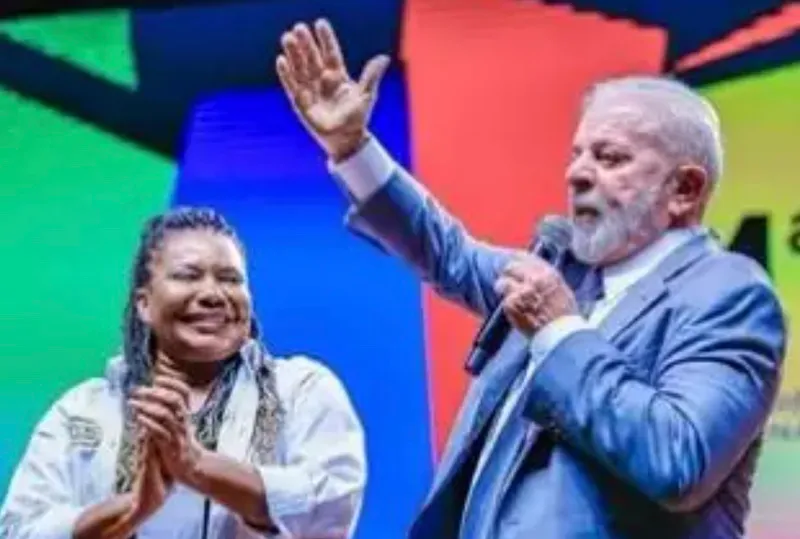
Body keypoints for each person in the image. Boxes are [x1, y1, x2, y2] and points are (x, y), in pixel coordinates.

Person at [275, 19, 786, 539]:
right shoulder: (566, 274)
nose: (577, 174)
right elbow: (449, 254)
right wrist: (352, 148)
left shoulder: (728, 295)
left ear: (684, 189)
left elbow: (678, 460)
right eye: (577, 154)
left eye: (609, 158)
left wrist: (560, 332)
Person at [0, 207, 366, 539]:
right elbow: (18, 530)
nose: (213, 294)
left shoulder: (302, 390)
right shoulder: (83, 410)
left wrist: (196, 464)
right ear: (144, 304)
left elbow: (332, 503)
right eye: (188, 276)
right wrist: (133, 508)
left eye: (230, 279)